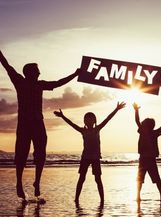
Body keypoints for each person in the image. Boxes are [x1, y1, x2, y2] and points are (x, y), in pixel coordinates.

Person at [0, 50, 80, 200]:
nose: (39, 72)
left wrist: (75, 74)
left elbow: (57, 83)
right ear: (29, 72)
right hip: (24, 124)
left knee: (41, 153)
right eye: (37, 71)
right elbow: (6, 65)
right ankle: (19, 183)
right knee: (21, 154)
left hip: (38, 123)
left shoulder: (40, 85)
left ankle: (37, 182)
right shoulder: (19, 81)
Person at [54, 102, 126, 204]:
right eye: (87, 119)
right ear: (84, 121)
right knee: (81, 178)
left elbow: (108, 119)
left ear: (94, 121)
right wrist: (62, 116)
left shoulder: (97, 129)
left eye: (91, 119)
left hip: (95, 157)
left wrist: (116, 109)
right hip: (85, 157)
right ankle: (76, 198)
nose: (89, 120)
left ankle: (102, 200)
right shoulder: (83, 130)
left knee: (98, 179)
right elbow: (71, 124)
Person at [133, 102, 161, 202]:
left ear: (147, 126)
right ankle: (158, 196)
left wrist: (136, 110)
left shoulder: (147, 132)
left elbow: (137, 121)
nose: (142, 125)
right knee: (148, 179)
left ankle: (146, 196)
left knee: (145, 179)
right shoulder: (152, 132)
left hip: (146, 159)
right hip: (146, 158)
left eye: (143, 124)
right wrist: (136, 110)